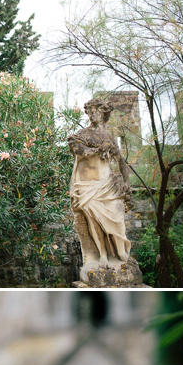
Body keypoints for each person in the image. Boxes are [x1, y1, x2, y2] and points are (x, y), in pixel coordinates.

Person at [67, 97, 135, 277]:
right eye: (89, 111)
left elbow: (121, 162)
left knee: (116, 223)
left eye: (96, 111)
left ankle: (119, 253)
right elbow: (76, 149)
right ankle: (102, 255)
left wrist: (127, 182)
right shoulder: (83, 134)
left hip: (108, 186)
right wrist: (94, 151)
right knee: (94, 221)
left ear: (104, 113)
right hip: (88, 186)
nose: (92, 114)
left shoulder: (110, 138)